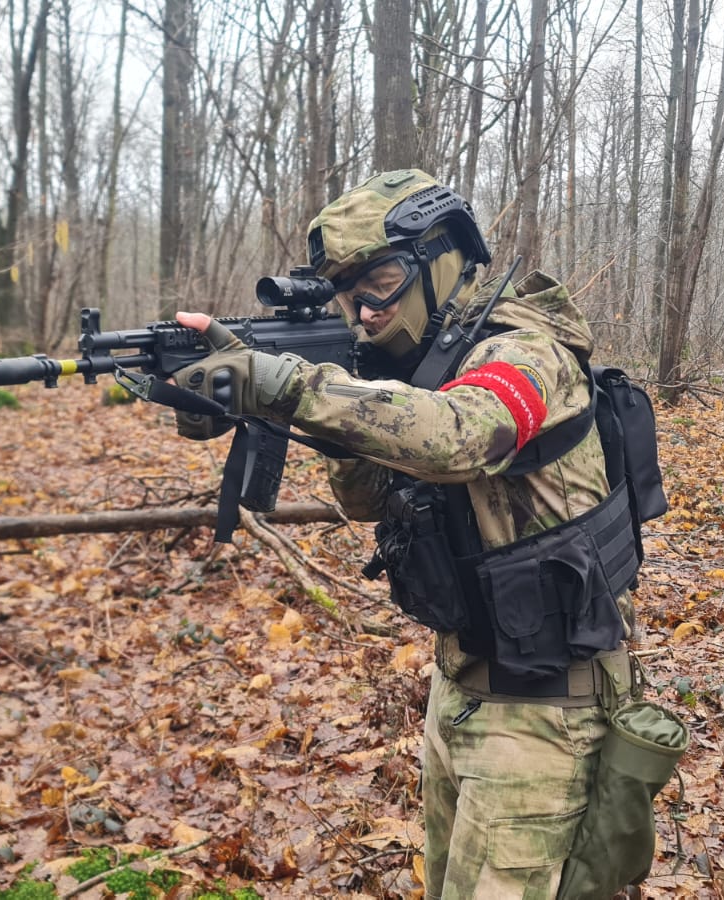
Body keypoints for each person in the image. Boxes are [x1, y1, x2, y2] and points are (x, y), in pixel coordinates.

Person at [172, 169, 639, 900]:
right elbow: (366, 502)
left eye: (382, 283)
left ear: (443, 260)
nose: (365, 311)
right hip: (462, 686)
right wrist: (300, 394)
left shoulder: (525, 351)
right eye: (348, 295)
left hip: (547, 710)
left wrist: (293, 385)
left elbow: (463, 436)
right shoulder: (426, 363)